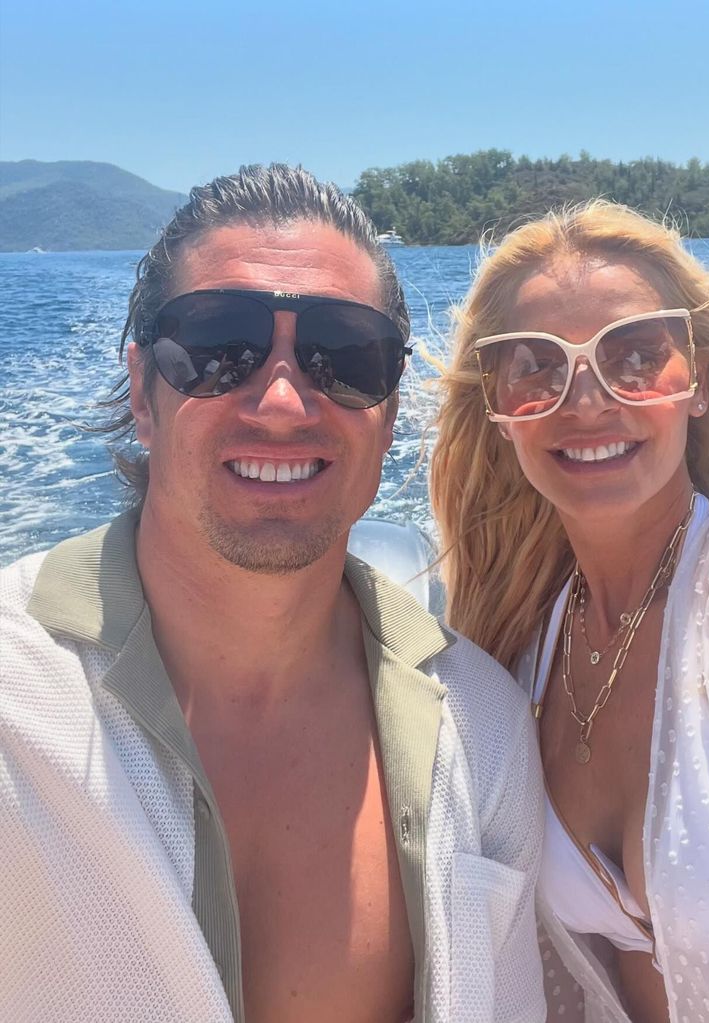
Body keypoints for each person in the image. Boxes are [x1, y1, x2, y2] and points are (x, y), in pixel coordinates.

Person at [0, 164, 546, 1023]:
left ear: (392, 410)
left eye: (347, 354)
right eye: (220, 347)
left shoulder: (484, 730)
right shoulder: (13, 699)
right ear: (143, 391)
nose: (287, 399)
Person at [430, 200, 709, 1022]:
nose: (586, 400)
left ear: (698, 382)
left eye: (635, 355)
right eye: (537, 365)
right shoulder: (516, 656)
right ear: (499, 410)